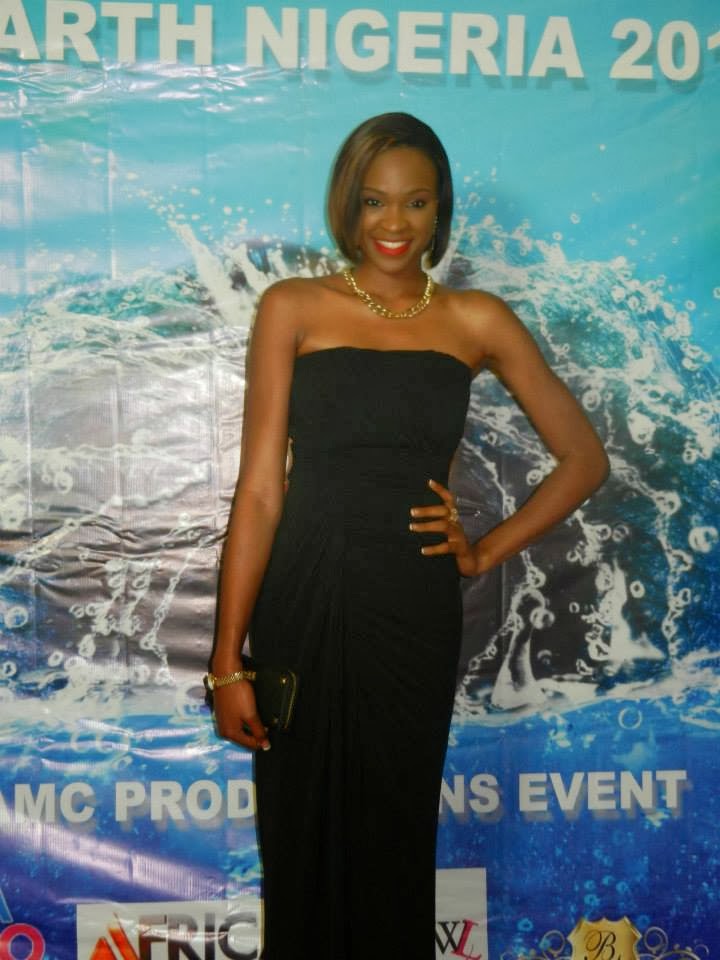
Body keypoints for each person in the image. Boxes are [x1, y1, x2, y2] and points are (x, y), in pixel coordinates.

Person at [209, 112, 609, 958]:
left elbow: (584, 459)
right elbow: (260, 494)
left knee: (393, 845)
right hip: (305, 596)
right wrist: (227, 662)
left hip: (411, 607)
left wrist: (484, 549)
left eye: (415, 202)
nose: (394, 223)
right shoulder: (293, 307)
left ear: (439, 210)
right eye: (374, 201)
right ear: (347, 207)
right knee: (300, 842)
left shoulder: (476, 320)